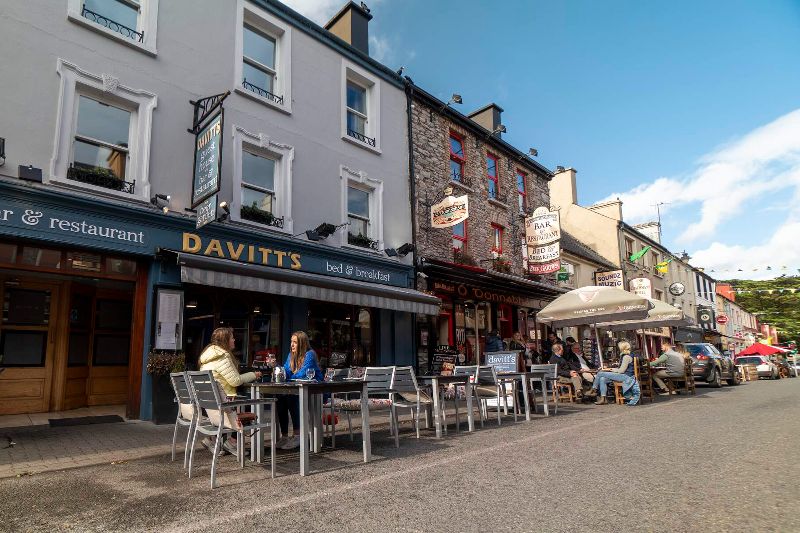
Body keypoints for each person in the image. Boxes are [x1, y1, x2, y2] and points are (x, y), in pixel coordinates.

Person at [198, 327, 262, 454]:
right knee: (250, 403)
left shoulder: (207, 357)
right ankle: (232, 442)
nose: (234, 340)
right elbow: (235, 381)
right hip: (224, 403)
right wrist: (254, 375)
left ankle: (212, 439)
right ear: (225, 340)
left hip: (211, 405)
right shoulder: (223, 356)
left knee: (236, 401)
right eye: (232, 338)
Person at [276, 331, 323, 450]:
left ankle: (298, 435)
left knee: (292, 396)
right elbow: (286, 371)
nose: (292, 345)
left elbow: (303, 374)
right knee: (280, 397)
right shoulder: (291, 355)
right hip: (298, 389)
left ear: (302, 343)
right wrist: (276, 367)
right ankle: (285, 436)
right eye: (291, 341)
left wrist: (288, 377)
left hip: (315, 391)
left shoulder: (310, 354)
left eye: (295, 342)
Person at [592, 340, 640, 405]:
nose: (618, 349)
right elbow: (620, 369)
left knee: (600, 373)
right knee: (602, 378)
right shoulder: (625, 356)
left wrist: (611, 370)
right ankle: (603, 399)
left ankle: (593, 389)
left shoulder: (626, 357)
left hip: (626, 376)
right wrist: (611, 369)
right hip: (624, 375)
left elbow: (621, 371)